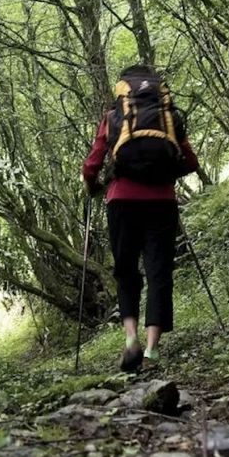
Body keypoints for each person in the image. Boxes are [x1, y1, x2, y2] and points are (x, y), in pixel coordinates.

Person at [82, 65, 199, 372]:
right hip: (162, 202)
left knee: (126, 271)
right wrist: (165, 174)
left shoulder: (113, 117)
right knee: (159, 271)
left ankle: (131, 338)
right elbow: (191, 161)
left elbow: (91, 164)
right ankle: (151, 350)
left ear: (124, 90)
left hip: (122, 201)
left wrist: (94, 186)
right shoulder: (167, 116)